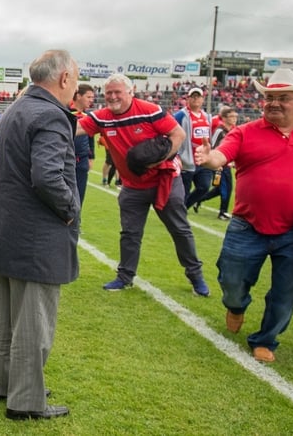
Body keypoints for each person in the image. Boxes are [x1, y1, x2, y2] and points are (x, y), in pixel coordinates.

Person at [194, 68, 293, 363]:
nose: (274, 103)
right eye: (270, 97)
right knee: (231, 282)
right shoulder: (245, 132)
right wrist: (210, 158)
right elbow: (221, 155)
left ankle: (266, 339)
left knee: (286, 293)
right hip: (247, 227)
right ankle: (236, 306)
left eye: (283, 98)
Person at [0, 49, 79, 421]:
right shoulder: (50, 115)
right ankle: (25, 400)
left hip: (6, 230)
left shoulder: (17, 109)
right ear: (63, 79)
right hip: (36, 237)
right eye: (75, 77)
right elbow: (47, 176)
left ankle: (5, 383)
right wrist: (70, 209)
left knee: (8, 318)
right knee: (34, 322)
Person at [77, 73, 210, 296]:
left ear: (131, 92)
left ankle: (196, 276)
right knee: (130, 233)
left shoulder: (150, 110)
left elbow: (178, 134)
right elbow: (75, 128)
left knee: (179, 229)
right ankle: (125, 276)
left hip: (164, 179)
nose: (112, 97)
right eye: (108, 93)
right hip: (132, 184)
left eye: (117, 92)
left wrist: (160, 158)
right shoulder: (103, 117)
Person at [193, 106, 237, 220]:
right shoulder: (219, 130)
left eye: (235, 116)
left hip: (226, 164)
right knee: (225, 188)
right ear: (224, 118)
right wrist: (216, 162)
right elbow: (212, 146)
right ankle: (223, 212)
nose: (234, 119)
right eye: (231, 116)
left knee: (220, 188)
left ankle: (199, 199)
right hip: (220, 164)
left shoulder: (233, 130)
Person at [174, 87, 213, 208]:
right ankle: (180, 213)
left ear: (203, 100)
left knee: (204, 187)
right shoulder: (180, 115)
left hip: (202, 159)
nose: (196, 99)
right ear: (188, 99)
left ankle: (184, 207)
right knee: (184, 191)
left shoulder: (207, 117)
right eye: (193, 96)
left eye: (198, 97)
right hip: (186, 160)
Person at [70, 83, 96, 205]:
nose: (91, 100)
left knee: (79, 198)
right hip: (65, 160)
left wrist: (91, 156)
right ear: (78, 96)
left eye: (92, 97)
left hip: (82, 161)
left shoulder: (88, 116)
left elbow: (91, 137)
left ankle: (76, 223)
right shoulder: (65, 113)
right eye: (88, 97)